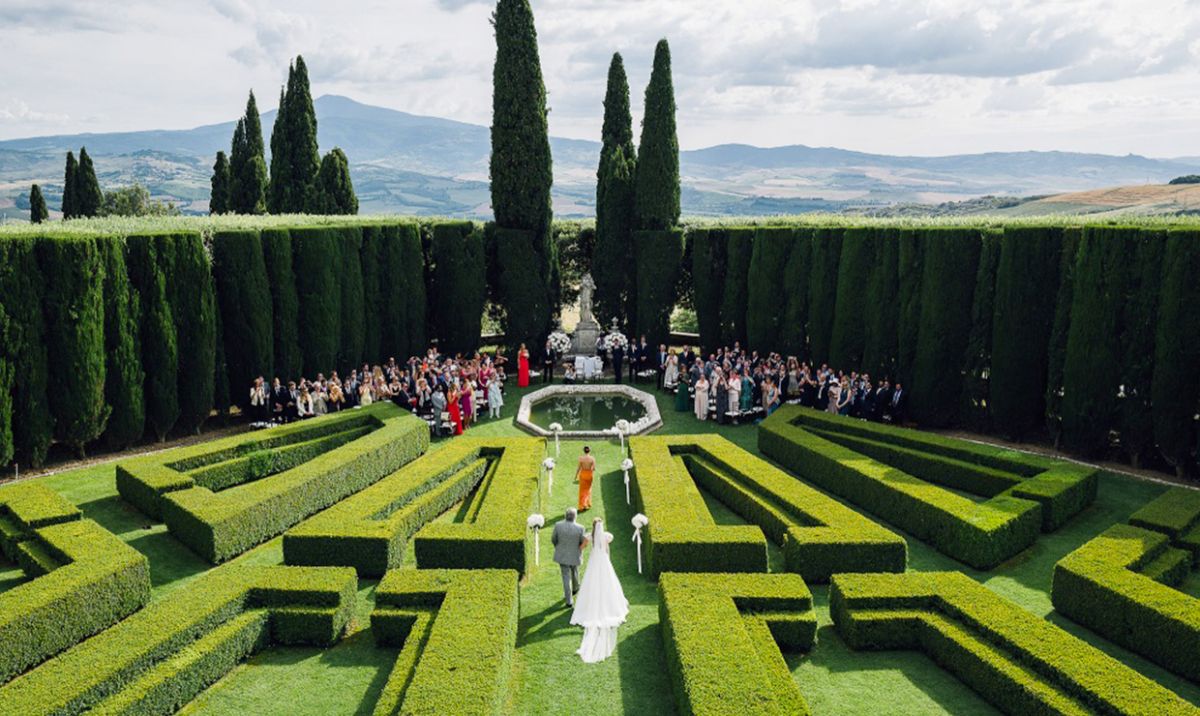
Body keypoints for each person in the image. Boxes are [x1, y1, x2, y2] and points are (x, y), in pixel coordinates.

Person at [571, 518, 629, 663]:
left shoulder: (590, 536)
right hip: (603, 560)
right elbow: (610, 539)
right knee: (607, 581)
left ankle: (591, 603)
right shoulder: (605, 536)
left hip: (594, 561)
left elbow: (583, 545)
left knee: (592, 582)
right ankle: (609, 603)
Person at [552, 507, 589, 609]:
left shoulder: (558, 525)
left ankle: (569, 600)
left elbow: (553, 539)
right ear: (575, 516)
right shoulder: (580, 528)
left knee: (566, 577)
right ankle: (576, 588)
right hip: (575, 554)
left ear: (565, 515)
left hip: (562, 555)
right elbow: (582, 542)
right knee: (575, 570)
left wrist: (559, 548)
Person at [575, 445, 596, 512]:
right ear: (589, 451)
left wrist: (576, 475)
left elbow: (579, 468)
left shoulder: (581, 458)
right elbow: (594, 468)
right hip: (589, 474)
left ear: (584, 451)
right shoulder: (592, 458)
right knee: (588, 490)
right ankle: (587, 504)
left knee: (582, 491)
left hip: (583, 474)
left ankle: (582, 506)